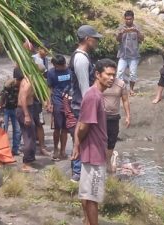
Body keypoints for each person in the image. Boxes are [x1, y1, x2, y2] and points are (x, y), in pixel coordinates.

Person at [71, 58, 116, 225]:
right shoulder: (93, 96)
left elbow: (81, 121)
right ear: (97, 74)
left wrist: (77, 144)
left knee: (86, 194)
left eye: (114, 75)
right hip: (94, 154)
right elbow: (83, 126)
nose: (112, 78)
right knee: (92, 198)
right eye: (108, 74)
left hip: (92, 152)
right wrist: (78, 143)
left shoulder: (95, 94)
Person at [69, 24, 102, 182]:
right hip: (81, 104)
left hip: (81, 103)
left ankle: (79, 171)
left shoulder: (83, 56)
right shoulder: (81, 58)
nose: (96, 42)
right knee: (81, 135)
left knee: (82, 135)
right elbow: (84, 87)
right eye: (95, 39)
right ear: (87, 39)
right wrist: (89, 106)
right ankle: (77, 173)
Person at [103, 77, 130, 173]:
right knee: (100, 140)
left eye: (113, 73)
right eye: (108, 73)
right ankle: (100, 162)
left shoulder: (120, 84)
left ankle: (108, 162)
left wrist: (128, 116)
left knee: (111, 140)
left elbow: (125, 100)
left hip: (114, 117)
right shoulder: (100, 82)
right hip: (100, 116)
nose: (110, 76)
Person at [47, 54, 71, 161]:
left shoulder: (70, 71)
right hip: (57, 101)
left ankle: (63, 150)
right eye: (60, 66)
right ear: (55, 65)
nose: (63, 67)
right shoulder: (51, 73)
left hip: (69, 101)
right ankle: (56, 148)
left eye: (64, 65)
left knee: (65, 128)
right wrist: (49, 103)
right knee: (57, 128)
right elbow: (50, 88)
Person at [16, 68, 40, 173]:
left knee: (32, 135)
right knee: (29, 137)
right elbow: (23, 98)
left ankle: (30, 159)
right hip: (24, 110)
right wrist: (26, 115)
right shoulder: (29, 81)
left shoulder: (27, 80)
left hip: (28, 108)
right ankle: (26, 164)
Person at [116, 10, 144, 96]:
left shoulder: (137, 27)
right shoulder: (121, 27)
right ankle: (120, 89)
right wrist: (121, 33)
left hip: (134, 55)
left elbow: (142, 39)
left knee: (133, 74)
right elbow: (117, 39)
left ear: (133, 18)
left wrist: (136, 31)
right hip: (123, 55)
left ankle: (131, 89)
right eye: (127, 19)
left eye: (130, 19)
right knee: (119, 73)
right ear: (124, 19)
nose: (128, 21)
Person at [0, 69, 23, 156]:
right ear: (18, 80)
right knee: (4, 130)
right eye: (21, 81)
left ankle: (15, 150)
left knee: (18, 130)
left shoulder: (22, 87)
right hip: (6, 110)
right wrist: (1, 115)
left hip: (16, 109)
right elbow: (1, 101)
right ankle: (3, 150)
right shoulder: (8, 86)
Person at [32, 42, 51, 156]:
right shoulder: (33, 59)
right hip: (34, 92)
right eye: (45, 50)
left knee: (39, 123)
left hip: (39, 93)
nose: (46, 53)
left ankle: (41, 145)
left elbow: (45, 73)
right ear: (39, 49)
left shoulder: (46, 60)